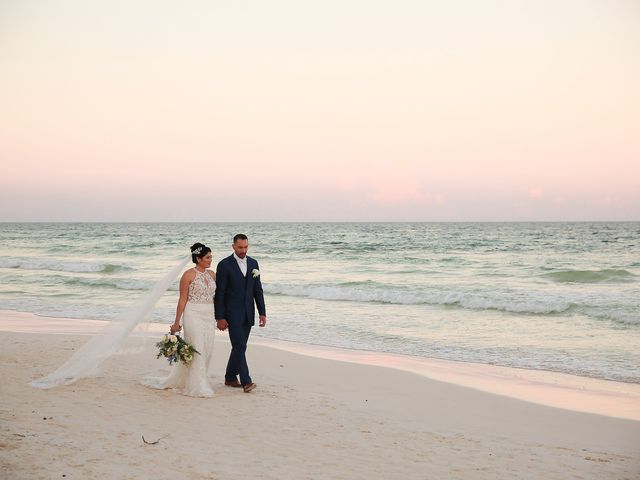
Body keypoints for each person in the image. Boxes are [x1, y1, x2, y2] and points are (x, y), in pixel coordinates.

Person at [142, 243, 217, 397]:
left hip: (209, 315)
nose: (210, 260)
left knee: (208, 349)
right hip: (193, 314)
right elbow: (182, 300)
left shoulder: (212, 275)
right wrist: (177, 323)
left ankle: (199, 379)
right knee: (198, 349)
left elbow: (216, 297)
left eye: (211, 257)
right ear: (198, 258)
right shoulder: (188, 275)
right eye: (208, 257)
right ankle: (198, 386)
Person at [215, 234, 267, 393]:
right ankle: (246, 381)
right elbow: (220, 293)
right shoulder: (224, 265)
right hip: (231, 314)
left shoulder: (253, 263)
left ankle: (230, 377)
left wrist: (262, 312)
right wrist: (220, 317)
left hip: (248, 313)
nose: (243, 250)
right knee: (239, 345)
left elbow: (258, 290)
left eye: (245, 247)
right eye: (240, 247)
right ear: (233, 247)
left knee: (239, 347)